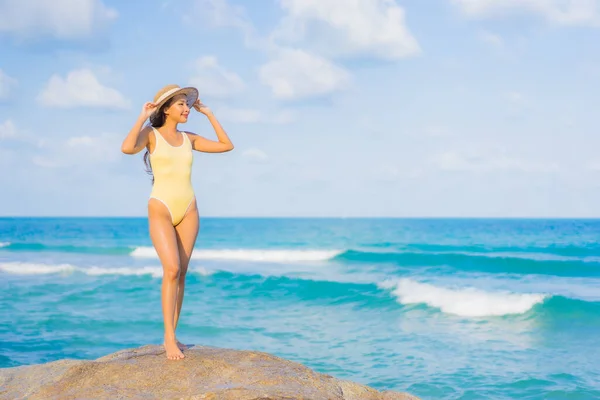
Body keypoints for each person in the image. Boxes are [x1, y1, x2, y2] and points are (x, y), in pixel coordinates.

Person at [121, 84, 234, 360]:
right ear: (166, 109)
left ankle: (174, 332)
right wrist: (141, 117)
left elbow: (226, 145)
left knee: (182, 272)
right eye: (181, 104)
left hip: (189, 208)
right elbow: (126, 148)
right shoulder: (151, 135)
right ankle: (168, 338)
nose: (186, 109)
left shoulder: (189, 139)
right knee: (170, 269)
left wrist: (208, 114)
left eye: (187, 104)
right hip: (161, 206)